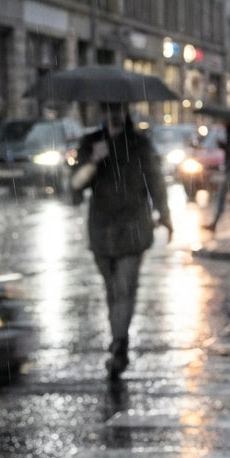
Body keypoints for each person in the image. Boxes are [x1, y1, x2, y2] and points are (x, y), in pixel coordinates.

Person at [71, 103, 173, 379]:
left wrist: (164, 214)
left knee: (125, 288)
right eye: (107, 110)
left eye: (117, 110)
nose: (113, 116)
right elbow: (74, 186)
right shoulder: (91, 143)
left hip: (133, 226)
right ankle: (119, 340)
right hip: (101, 228)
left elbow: (155, 181)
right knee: (111, 291)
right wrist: (94, 160)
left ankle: (119, 344)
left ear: (125, 113)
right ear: (101, 115)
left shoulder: (139, 144)